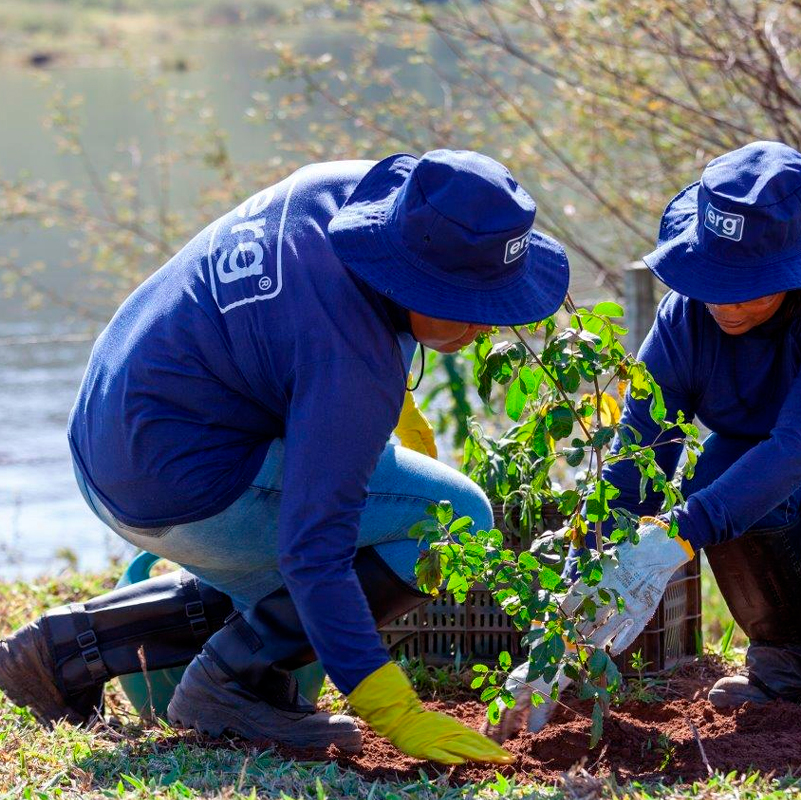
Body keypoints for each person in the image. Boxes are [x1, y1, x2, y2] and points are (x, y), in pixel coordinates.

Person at [0, 149, 569, 764]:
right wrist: (393, 711)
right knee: (454, 520)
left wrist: (383, 403)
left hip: (108, 432)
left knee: (299, 596)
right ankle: (231, 687)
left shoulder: (351, 194)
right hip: (176, 482)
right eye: (469, 305)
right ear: (413, 277)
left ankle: (68, 648)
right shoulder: (350, 363)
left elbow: (293, 328)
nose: (485, 327)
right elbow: (314, 549)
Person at [499, 140, 801, 736]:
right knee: (715, 476)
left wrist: (675, 539)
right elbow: (637, 463)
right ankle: (797, 657)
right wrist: (562, 625)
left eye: (751, 286)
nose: (726, 303)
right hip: (769, 476)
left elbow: (799, 444)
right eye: (714, 279)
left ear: (797, 271)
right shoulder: (685, 322)